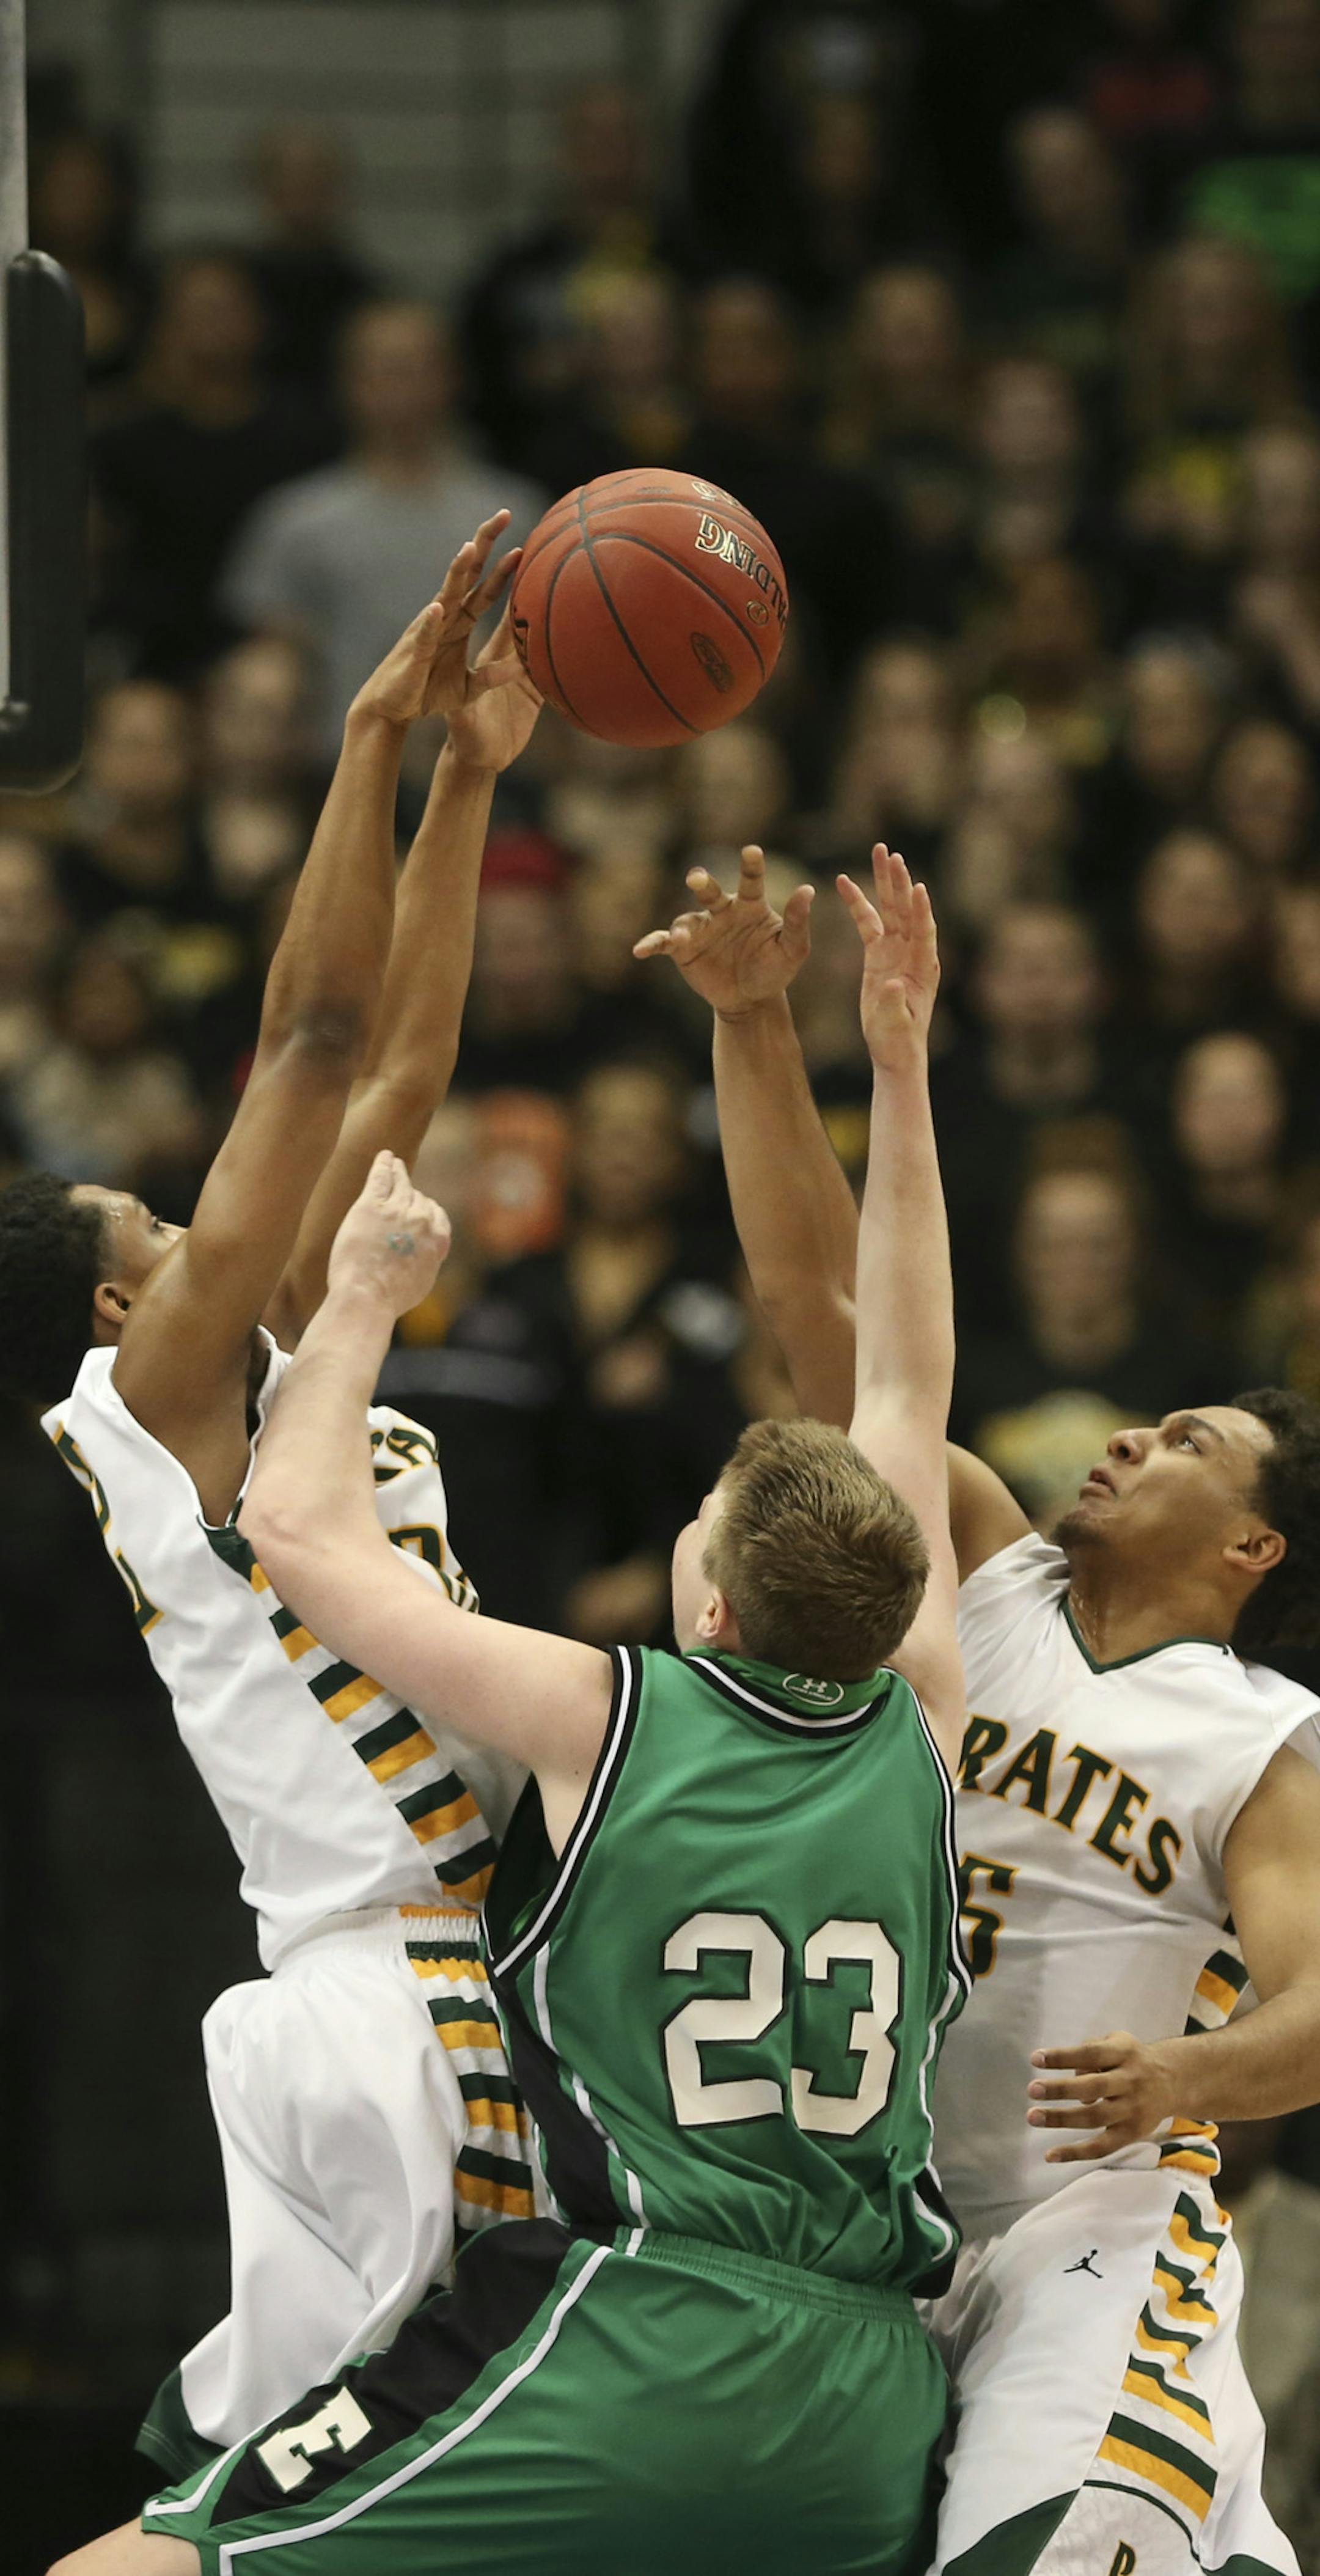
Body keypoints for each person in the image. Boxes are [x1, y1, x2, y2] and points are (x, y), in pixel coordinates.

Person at [61, 850, 972, 2576]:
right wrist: (900, 1063)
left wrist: (362, 1297)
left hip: (651, 2314)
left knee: (156, 2547)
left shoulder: (612, 1708)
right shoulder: (927, 1722)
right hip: (876, 2383)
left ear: (707, 1606)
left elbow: (301, 1529)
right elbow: (905, 1371)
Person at [634, 843, 1320, 2576]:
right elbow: (828, 1326)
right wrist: (757, 1029)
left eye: (1178, 1444)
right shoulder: (986, 1569)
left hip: (1093, 2224)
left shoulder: (1260, 1732)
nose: (1120, 1438)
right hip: (877, 2221)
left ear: (1253, 1540)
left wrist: (1189, 2069)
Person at [0, 520, 543, 2476]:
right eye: (163, 1217)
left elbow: (403, 1048)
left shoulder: (297, 1367)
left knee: (430, 2481)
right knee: (398, 2484)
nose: (200, 1214)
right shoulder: (150, 1403)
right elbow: (311, 1042)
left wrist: (472, 780)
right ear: (117, 1297)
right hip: (384, 1997)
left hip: (474, 1969)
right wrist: (371, 738)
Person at [222, 299, 544, 760]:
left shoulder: (514, 514)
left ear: (453, 377)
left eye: (416, 368)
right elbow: (270, 669)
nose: (400, 387)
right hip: (338, 769)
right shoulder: (297, 520)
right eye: (382, 370)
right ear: (348, 384)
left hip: (483, 762)